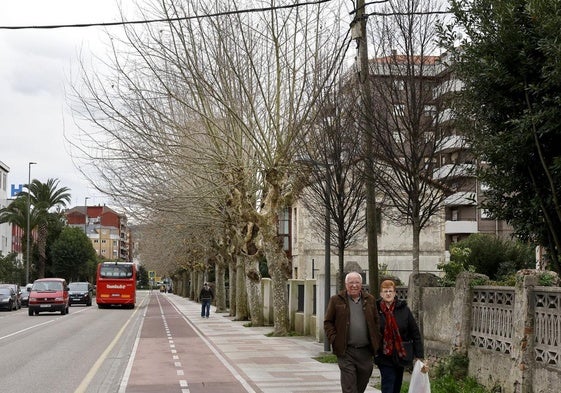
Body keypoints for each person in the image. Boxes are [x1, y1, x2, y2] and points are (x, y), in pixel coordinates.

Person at [324, 271, 381, 393]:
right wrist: (334, 338)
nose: (354, 285)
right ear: (346, 284)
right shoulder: (336, 300)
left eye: (357, 282)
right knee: (349, 386)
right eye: (351, 282)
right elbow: (328, 322)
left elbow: (377, 321)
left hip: (365, 351)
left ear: (361, 284)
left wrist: (377, 338)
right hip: (346, 351)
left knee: (363, 379)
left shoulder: (369, 299)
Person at [375, 279, 426, 393]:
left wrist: (419, 355)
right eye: (385, 291)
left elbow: (415, 332)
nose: (388, 294)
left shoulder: (404, 310)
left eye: (390, 291)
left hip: (401, 354)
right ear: (381, 294)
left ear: (394, 293)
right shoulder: (376, 310)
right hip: (384, 355)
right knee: (389, 383)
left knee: (397, 384)